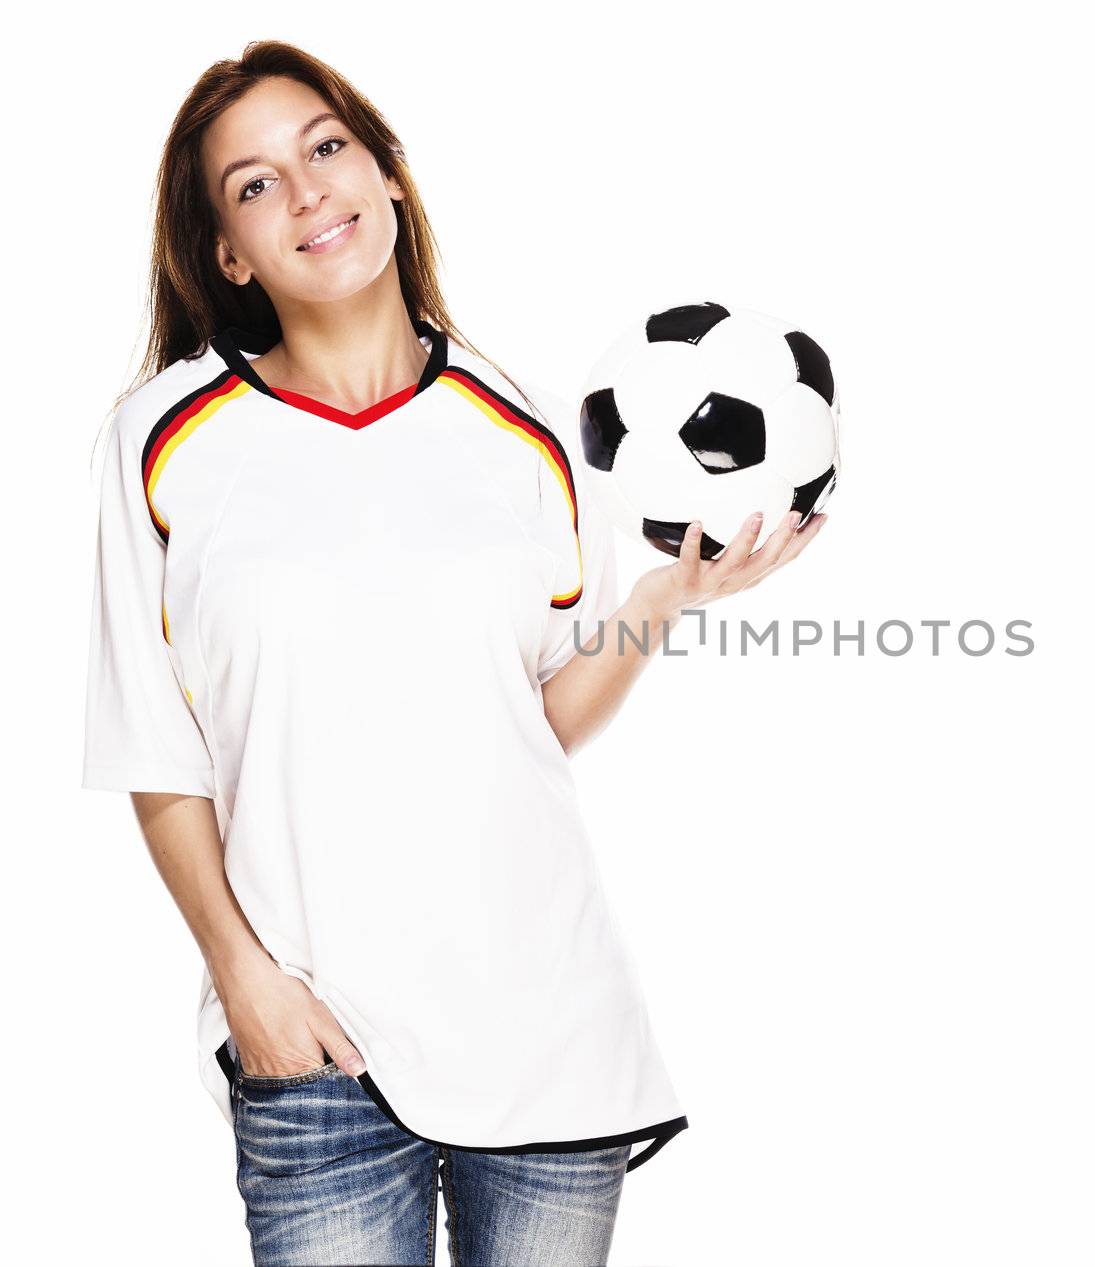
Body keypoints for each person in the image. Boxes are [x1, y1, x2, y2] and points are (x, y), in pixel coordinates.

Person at [80, 40, 826, 1267]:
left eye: (327, 147)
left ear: (385, 171)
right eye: (255, 184)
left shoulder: (516, 425)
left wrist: (668, 592)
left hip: (548, 1035)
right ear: (227, 251)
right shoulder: (161, 441)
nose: (309, 189)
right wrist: (247, 984)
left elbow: (536, 716)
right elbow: (156, 752)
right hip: (317, 1049)